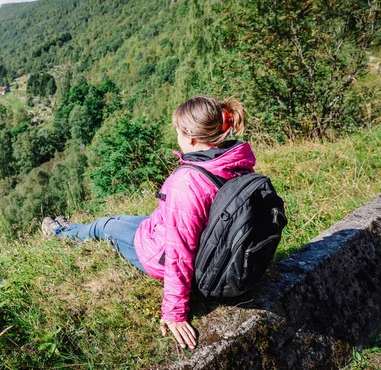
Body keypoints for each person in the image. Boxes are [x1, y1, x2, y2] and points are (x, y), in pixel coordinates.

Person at [42, 95, 255, 350]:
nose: (176, 136)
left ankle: (59, 231)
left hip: (164, 254)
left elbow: (179, 252)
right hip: (206, 242)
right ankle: (69, 228)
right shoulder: (234, 161)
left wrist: (175, 312)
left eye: (178, 131)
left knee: (104, 227)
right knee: (119, 220)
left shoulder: (186, 182)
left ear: (190, 137)